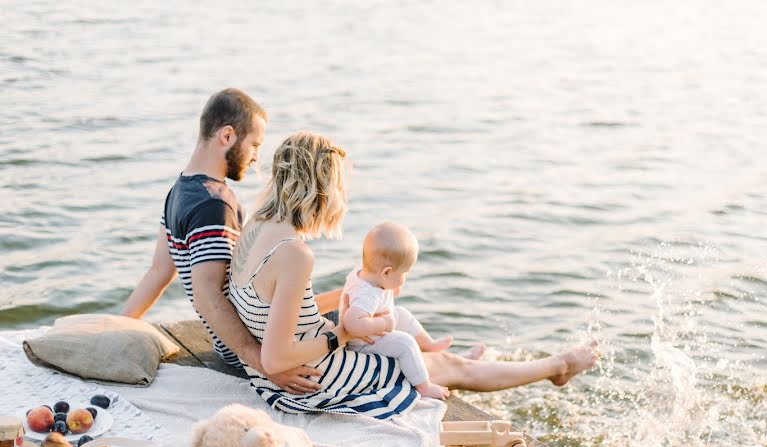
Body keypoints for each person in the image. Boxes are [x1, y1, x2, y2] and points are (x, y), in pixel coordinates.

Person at [227, 130, 599, 419]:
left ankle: (436, 356)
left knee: (391, 319)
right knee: (454, 367)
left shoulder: (256, 225)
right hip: (309, 382)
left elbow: (272, 312)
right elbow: (277, 359)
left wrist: (348, 301)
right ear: (322, 188)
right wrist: (339, 333)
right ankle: (558, 366)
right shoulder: (294, 254)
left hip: (273, 377)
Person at [121, 88, 338, 395]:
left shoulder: (180, 190)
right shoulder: (214, 205)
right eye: (254, 145)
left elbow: (159, 271)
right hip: (249, 349)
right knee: (364, 321)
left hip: (245, 339)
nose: (255, 158)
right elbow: (207, 294)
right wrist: (263, 365)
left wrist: (115, 326)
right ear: (227, 136)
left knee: (348, 300)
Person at [340, 221, 457, 401]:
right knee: (405, 342)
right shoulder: (368, 294)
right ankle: (424, 387)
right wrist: (385, 323)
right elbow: (352, 323)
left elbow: (366, 293)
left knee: (401, 313)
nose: (406, 278)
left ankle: (429, 344)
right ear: (386, 272)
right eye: (404, 273)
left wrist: (390, 288)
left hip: (371, 327)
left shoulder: (366, 274)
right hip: (362, 344)